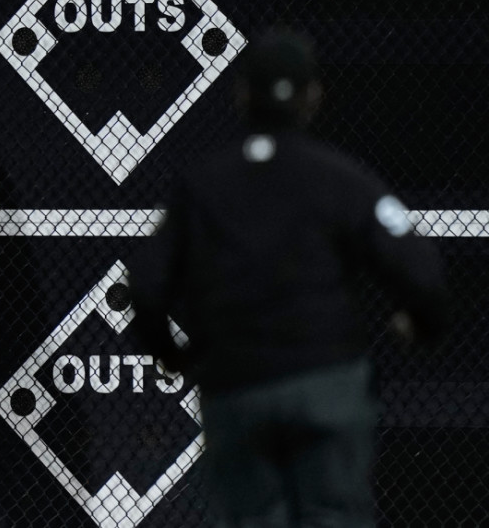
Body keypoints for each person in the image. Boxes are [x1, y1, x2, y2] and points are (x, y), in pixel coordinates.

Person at [128, 29, 451, 527]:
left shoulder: (201, 185)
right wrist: (422, 325)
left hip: (237, 387)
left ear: (240, 96)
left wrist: (174, 354)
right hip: (326, 381)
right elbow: (422, 273)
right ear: (312, 97)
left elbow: (146, 285)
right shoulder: (341, 179)